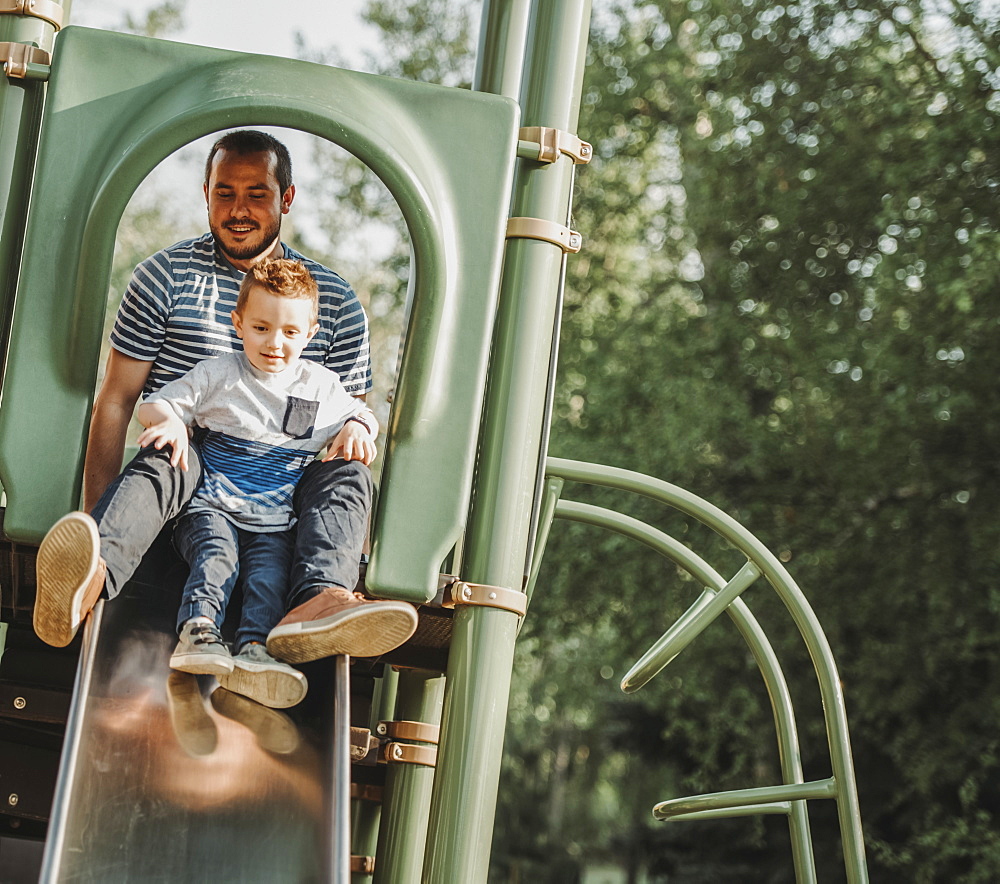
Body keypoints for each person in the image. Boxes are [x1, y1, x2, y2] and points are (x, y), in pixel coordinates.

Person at [32, 130, 417, 693]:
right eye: (224, 193)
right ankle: (90, 574)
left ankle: (320, 598)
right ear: (206, 194)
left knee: (350, 464)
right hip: (188, 475)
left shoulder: (329, 300)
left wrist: (354, 530)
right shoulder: (164, 278)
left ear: (286, 198)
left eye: (256, 194)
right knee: (168, 446)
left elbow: (349, 417)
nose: (239, 210)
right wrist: (100, 514)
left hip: (283, 487)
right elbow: (117, 399)